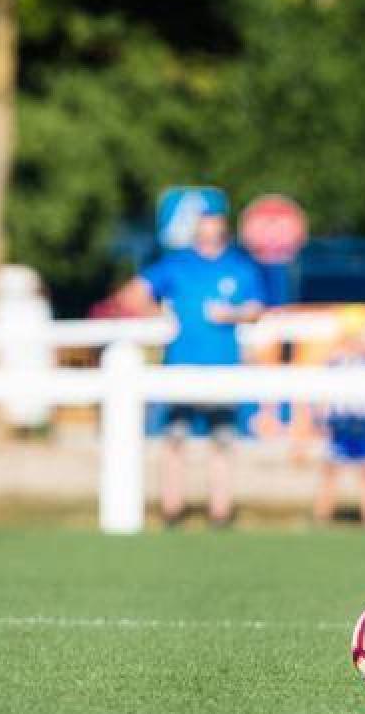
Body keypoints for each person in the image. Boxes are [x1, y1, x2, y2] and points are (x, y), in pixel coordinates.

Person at [115, 192, 266, 527]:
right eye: (203, 221)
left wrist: (231, 315)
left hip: (222, 366)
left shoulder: (239, 268)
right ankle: (172, 508)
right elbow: (131, 295)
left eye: (214, 221)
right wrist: (159, 316)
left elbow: (257, 310)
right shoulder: (177, 264)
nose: (209, 227)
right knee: (174, 439)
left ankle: (220, 512)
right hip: (181, 364)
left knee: (223, 440)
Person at [312, 304, 365, 527]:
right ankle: (322, 516)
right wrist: (319, 417)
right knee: (330, 470)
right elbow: (323, 387)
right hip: (339, 420)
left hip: (364, 421)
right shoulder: (335, 357)